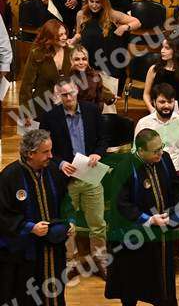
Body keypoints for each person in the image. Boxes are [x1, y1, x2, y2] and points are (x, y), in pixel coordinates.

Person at [105, 128, 179, 306]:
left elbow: (176, 188)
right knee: (131, 284)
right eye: (155, 151)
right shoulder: (125, 168)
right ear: (141, 151)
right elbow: (122, 204)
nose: (160, 153)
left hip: (160, 236)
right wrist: (149, 219)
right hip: (135, 236)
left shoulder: (165, 159)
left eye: (161, 147)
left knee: (163, 285)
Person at [38, 78, 108, 278]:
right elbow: (44, 149)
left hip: (90, 175)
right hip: (65, 179)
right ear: (57, 96)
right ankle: (69, 262)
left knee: (97, 222)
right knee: (67, 224)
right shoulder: (49, 117)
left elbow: (104, 139)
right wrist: (59, 163)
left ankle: (100, 260)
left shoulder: (91, 110)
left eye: (70, 93)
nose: (68, 98)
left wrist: (98, 153)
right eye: (63, 95)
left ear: (77, 90)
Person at [0, 130, 74, 306]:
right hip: (25, 252)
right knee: (27, 294)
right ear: (30, 153)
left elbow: (66, 201)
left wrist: (70, 221)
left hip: (53, 248)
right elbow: (3, 214)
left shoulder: (53, 171)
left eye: (51, 150)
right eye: (45, 152)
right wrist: (30, 227)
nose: (51, 156)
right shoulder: (9, 176)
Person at [69, 0, 140, 84]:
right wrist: (74, 39)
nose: (94, 5)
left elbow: (137, 22)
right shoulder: (81, 15)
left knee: (108, 92)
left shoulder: (112, 14)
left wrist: (124, 27)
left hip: (109, 64)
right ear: (87, 0)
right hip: (89, 63)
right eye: (91, 1)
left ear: (104, 2)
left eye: (98, 2)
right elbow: (79, 33)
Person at [135, 83, 179, 196]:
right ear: (154, 102)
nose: (167, 106)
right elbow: (135, 152)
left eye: (170, 102)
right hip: (151, 174)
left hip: (178, 173)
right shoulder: (143, 123)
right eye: (162, 102)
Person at [19, 19, 73, 122]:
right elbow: (26, 85)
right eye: (60, 35)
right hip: (42, 107)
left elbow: (84, 75)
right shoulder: (37, 54)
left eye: (65, 33)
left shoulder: (71, 51)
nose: (64, 37)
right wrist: (26, 112)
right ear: (50, 36)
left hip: (67, 107)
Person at [143, 36, 179, 116]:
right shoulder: (154, 69)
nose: (162, 51)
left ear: (176, 51)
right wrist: (151, 109)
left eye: (167, 48)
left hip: (178, 115)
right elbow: (146, 94)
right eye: (162, 47)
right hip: (156, 113)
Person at [68, 44, 117, 111]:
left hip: (93, 113)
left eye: (84, 59)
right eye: (77, 59)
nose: (81, 62)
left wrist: (109, 97)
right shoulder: (67, 78)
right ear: (71, 60)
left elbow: (100, 94)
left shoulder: (94, 76)